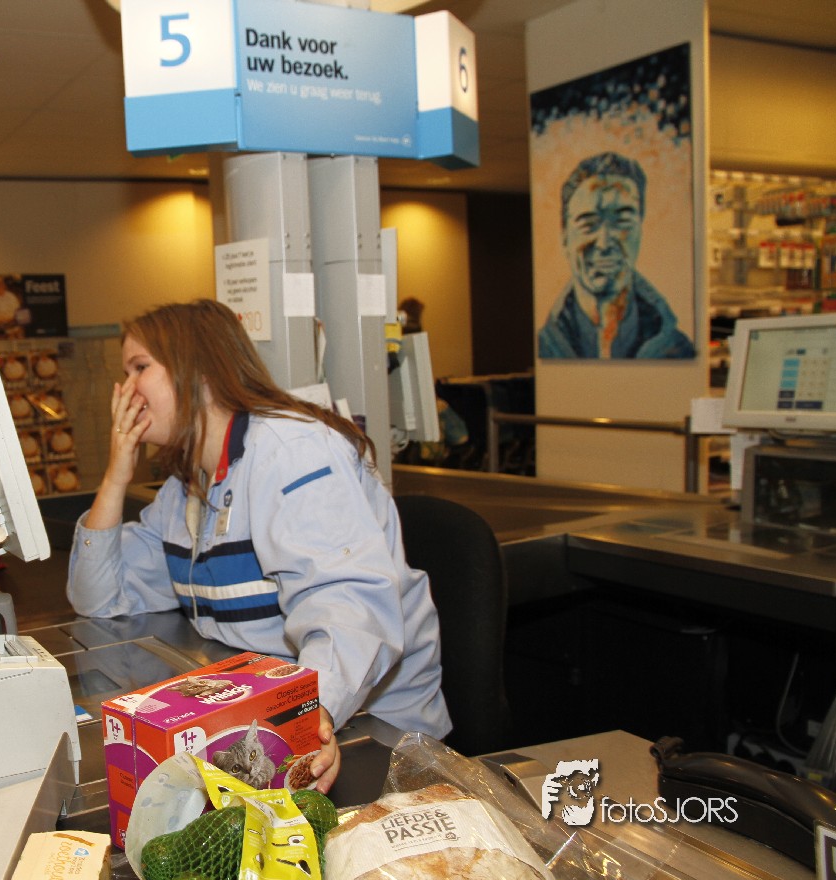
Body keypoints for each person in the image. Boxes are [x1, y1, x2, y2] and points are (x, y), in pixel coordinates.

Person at [67, 299, 451, 793]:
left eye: (140, 368)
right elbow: (98, 597)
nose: (125, 391)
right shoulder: (187, 486)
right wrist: (117, 473)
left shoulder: (292, 453)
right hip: (264, 713)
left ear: (199, 370)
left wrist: (307, 716)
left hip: (374, 734)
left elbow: (350, 611)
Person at [537, 151, 696, 360]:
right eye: (588, 224)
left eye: (622, 222)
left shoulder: (678, 352)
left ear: (640, 231)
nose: (604, 243)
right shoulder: (543, 349)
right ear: (564, 237)